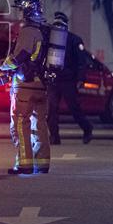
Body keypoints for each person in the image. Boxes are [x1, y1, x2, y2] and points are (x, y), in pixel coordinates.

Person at [0, 0, 50, 175]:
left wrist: (2, 67)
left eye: (20, 9)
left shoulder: (28, 30)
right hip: (41, 85)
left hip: (25, 85)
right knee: (40, 124)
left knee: (20, 123)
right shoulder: (43, 29)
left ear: (27, 11)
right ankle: (42, 162)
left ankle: (25, 164)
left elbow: (19, 57)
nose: (19, 13)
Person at [46, 11, 94, 145]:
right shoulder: (51, 39)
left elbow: (81, 62)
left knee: (74, 108)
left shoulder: (74, 40)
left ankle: (87, 128)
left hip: (67, 80)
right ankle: (54, 137)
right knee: (51, 110)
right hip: (55, 79)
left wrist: (80, 79)